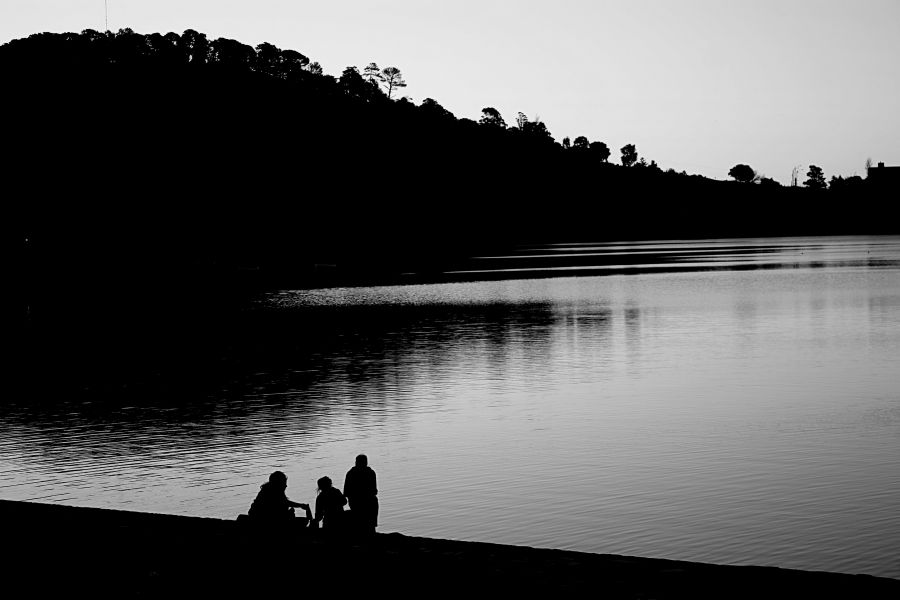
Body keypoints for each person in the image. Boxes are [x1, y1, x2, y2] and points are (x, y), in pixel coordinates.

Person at [343, 454, 378, 534]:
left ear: (356, 462)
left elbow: (346, 492)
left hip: (355, 502)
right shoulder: (371, 473)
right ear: (366, 462)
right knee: (370, 524)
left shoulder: (350, 473)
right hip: (369, 502)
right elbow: (374, 491)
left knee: (359, 524)